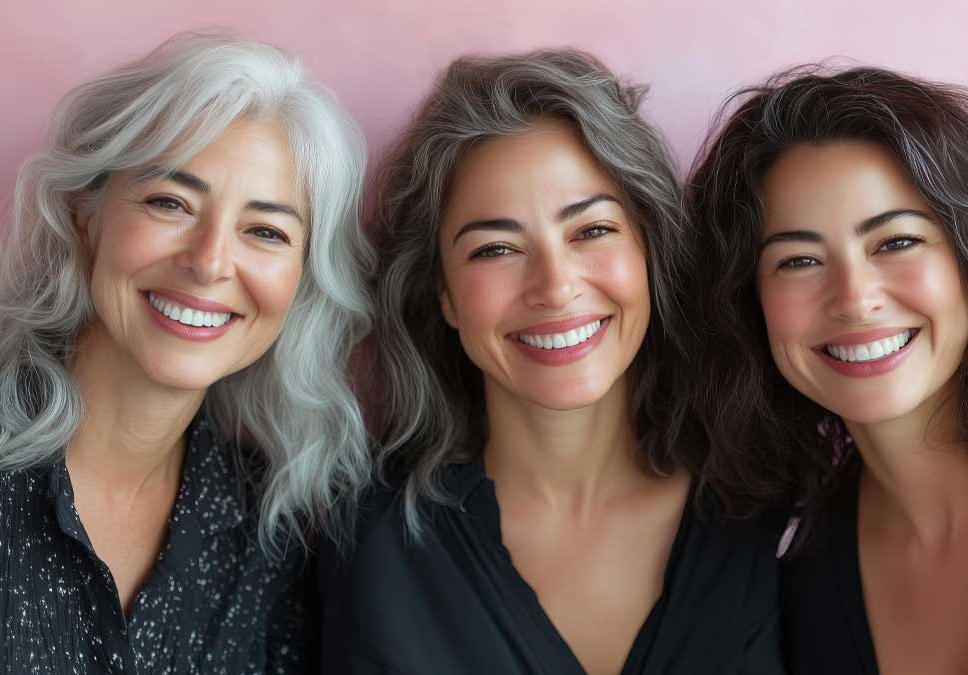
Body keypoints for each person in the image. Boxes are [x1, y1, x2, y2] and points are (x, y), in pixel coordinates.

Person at [318, 50, 784, 674]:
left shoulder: (766, 512)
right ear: (445, 296)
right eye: (496, 248)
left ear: (650, 250)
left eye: (591, 231)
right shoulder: (361, 542)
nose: (555, 286)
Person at [0, 33, 373, 673]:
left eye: (265, 231)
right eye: (170, 202)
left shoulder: (269, 527)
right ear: (87, 213)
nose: (209, 263)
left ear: (302, 280)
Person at [686, 65, 968, 674]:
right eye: (798, 261)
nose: (854, 297)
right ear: (749, 304)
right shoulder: (791, 578)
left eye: (895, 242)